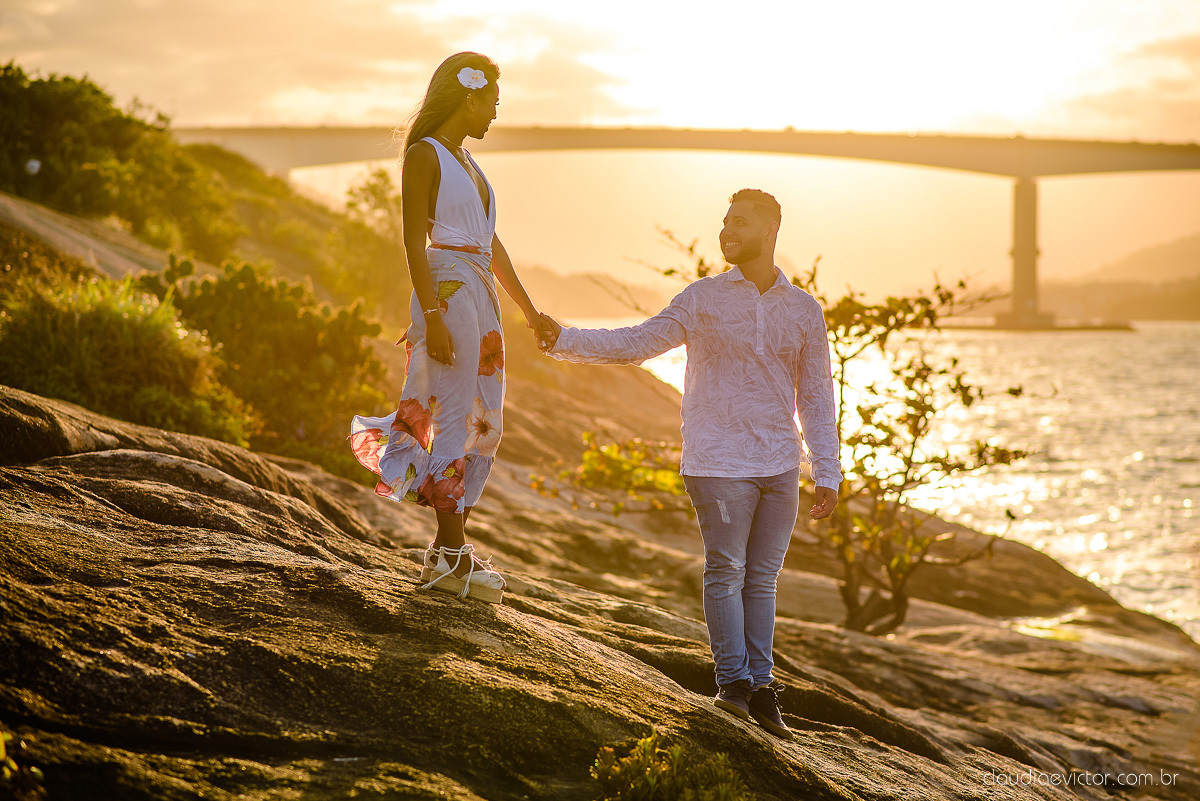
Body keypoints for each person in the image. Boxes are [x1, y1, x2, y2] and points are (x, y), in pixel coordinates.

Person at [538, 189, 841, 740]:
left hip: (778, 464)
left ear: (772, 229)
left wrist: (827, 470)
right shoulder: (702, 298)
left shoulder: (803, 310)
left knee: (764, 581)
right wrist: (563, 339)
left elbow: (817, 395)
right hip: (716, 459)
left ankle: (763, 688)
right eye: (725, 221)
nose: (728, 231)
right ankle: (733, 687)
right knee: (726, 570)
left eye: (741, 223)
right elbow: (640, 342)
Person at [349, 52, 553, 604]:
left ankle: (446, 553)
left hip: (479, 292)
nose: (494, 114)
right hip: (450, 293)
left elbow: (493, 244)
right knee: (456, 417)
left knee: (483, 418)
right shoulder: (426, 156)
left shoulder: (468, 163)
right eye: (491, 102)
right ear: (468, 97)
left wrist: (531, 312)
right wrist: (431, 315)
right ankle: (451, 558)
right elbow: (414, 242)